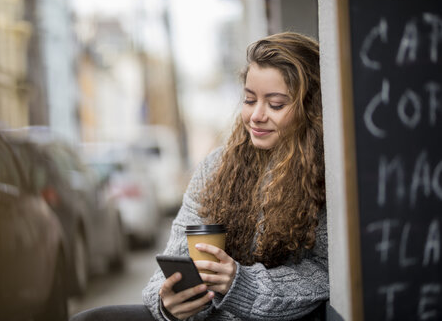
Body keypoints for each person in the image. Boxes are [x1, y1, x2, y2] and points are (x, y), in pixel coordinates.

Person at [70, 31, 328, 321]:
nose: (256, 115)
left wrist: (241, 284)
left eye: (276, 104)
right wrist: (169, 304)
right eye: (249, 99)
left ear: (311, 108)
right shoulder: (217, 167)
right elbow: (175, 258)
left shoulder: (327, 175)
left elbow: (324, 274)